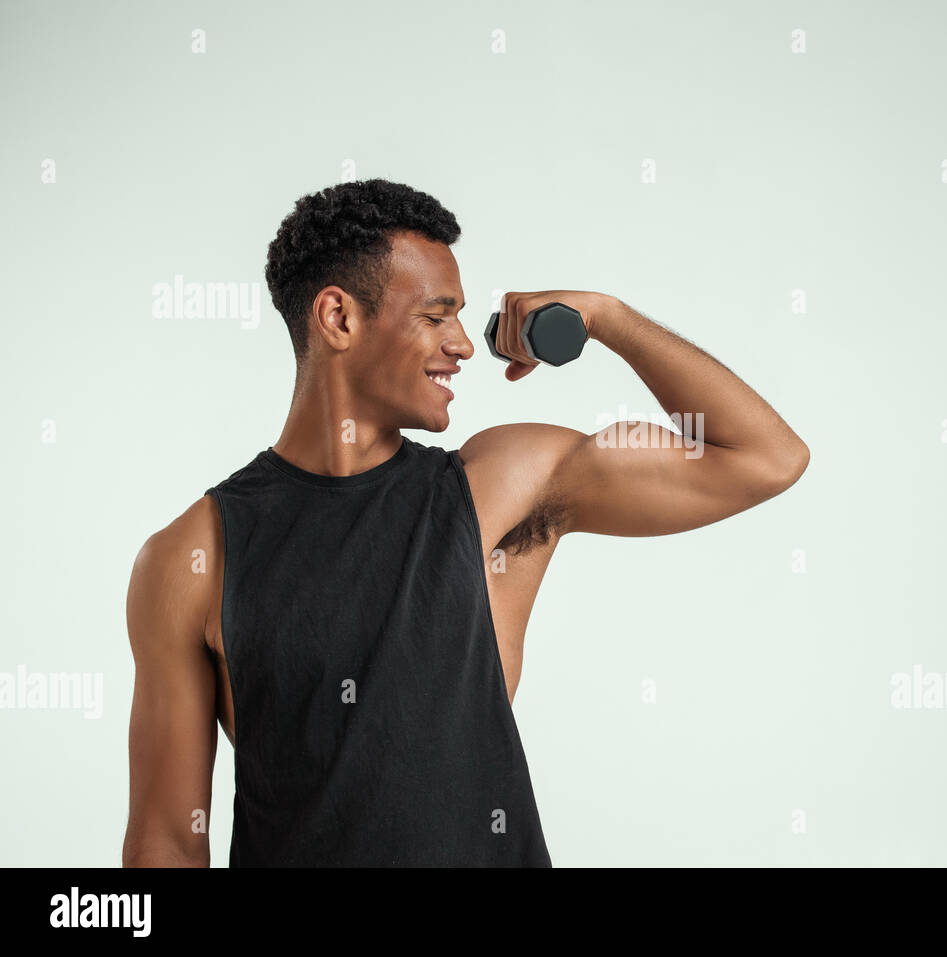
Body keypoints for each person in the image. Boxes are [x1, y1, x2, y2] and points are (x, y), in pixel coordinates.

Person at [121, 178, 809, 867]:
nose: (463, 344)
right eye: (435, 315)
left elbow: (765, 458)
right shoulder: (192, 556)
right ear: (338, 318)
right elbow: (167, 840)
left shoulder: (500, 486)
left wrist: (607, 318)